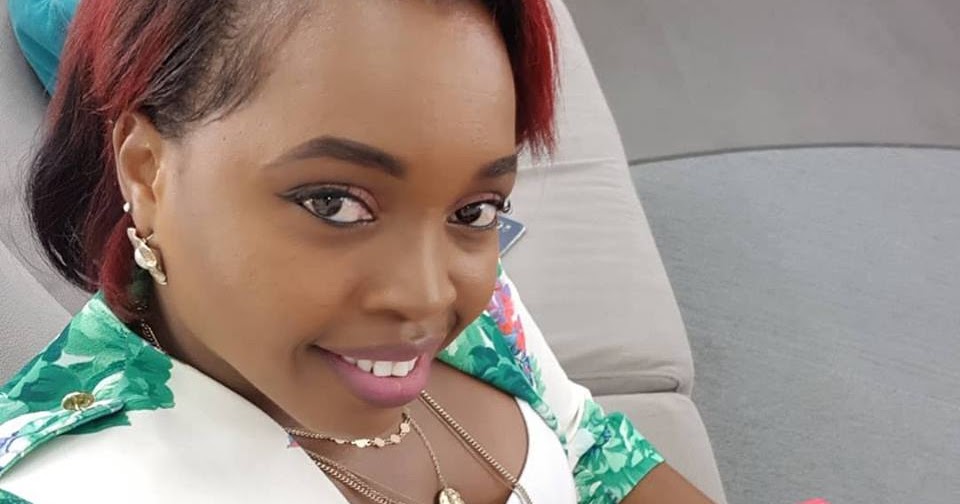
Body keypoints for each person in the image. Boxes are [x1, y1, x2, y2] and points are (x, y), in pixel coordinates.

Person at [0, 1, 714, 502]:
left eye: (474, 210)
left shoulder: (484, 313)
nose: (430, 296)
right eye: (334, 203)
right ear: (146, 170)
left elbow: (592, 451)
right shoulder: (63, 483)